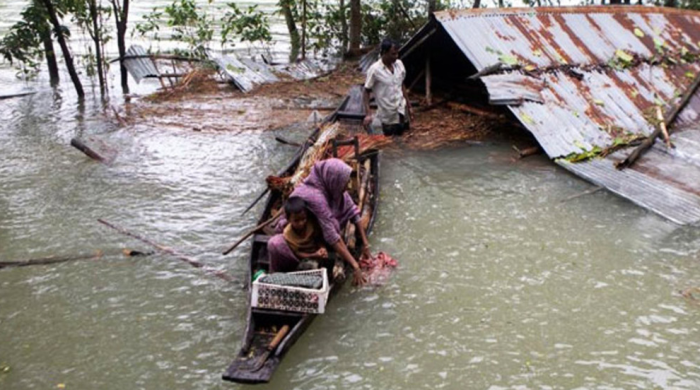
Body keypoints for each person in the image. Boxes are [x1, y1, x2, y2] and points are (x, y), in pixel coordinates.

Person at [267, 158, 371, 286]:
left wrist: (366, 244)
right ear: (333, 180)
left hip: (314, 236)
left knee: (331, 225)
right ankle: (279, 277)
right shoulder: (316, 197)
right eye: (344, 183)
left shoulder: (331, 189)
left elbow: (353, 212)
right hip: (298, 240)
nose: (347, 186)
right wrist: (355, 265)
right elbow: (332, 237)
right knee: (275, 245)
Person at [363, 38, 414, 136]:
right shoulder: (374, 70)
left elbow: (401, 85)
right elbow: (366, 91)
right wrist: (368, 114)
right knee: (390, 142)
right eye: (393, 54)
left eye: (397, 53)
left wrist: (409, 106)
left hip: (401, 111)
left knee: (403, 137)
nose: (396, 56)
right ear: (384, 53)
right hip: (387, 115)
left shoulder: (399, 65)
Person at [267, 197, 328, 274]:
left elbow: (318, 239)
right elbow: (297, 253)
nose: (301, 223)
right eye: (296, 221)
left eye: (303, 219)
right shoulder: (288, 234)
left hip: (316, 252)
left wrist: (322, 248)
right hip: (304, 257)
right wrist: (314, 255)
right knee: (311, 266)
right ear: (289, 220)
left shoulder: (311, 224)